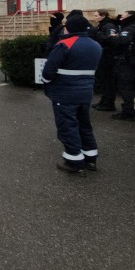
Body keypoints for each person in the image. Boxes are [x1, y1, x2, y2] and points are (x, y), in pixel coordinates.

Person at [41, 15, 102, 176]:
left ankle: (74, 162)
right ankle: (90, 158)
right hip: (86, 92)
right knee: (84, 125)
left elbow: (48, 71)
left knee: (68, 126)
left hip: (65, 93)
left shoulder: (64, 44)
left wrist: (46, 82)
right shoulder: (95, 45)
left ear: (69, 28)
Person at [91, 9, 119, 112]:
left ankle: (109, 103)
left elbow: (112, 40)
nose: (95, 17)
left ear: (103, 16)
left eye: (97, 15)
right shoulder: (101, 26)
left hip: (109, 56)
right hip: (103, 55)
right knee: (104, 80)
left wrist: (99, 35)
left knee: (109, 81)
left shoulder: (109, 26)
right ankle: (104, 101)